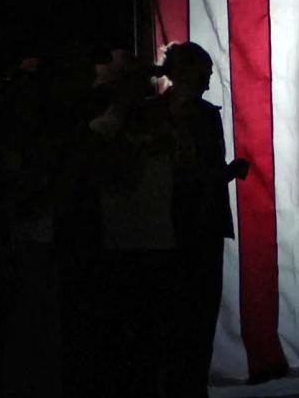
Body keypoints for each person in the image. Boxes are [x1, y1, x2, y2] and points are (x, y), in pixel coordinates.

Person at [94, 43, 248, 397]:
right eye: (205, 72)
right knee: (177, 314)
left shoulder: (186, 114)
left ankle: (189, 386)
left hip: (190, 227)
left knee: (194, 315)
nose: (210, 80)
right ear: (188, 74)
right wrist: (228, 172)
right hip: (169, 227)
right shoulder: (167, 115)